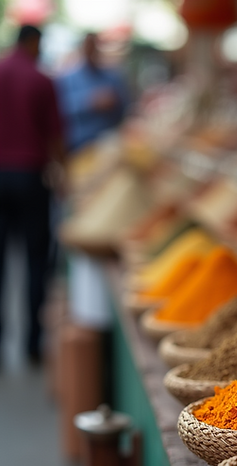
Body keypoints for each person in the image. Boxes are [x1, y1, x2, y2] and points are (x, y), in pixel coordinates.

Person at [0, 25, 64, 363]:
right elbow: (55, 135)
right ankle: (32, 344)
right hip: (30, 177)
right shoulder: (41, 80)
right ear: (33, 42)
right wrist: (64, 173)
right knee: (36, 260)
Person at [57, 33, 128, 154]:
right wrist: (89, 102)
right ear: (82, 48)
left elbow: (125, 108)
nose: (91, 50)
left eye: (94, 46)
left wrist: (114, 102)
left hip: (107, 143)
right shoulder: (68, 78)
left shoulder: (112, 77)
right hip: (79, 144)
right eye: (88, 46)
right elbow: (60, 108)